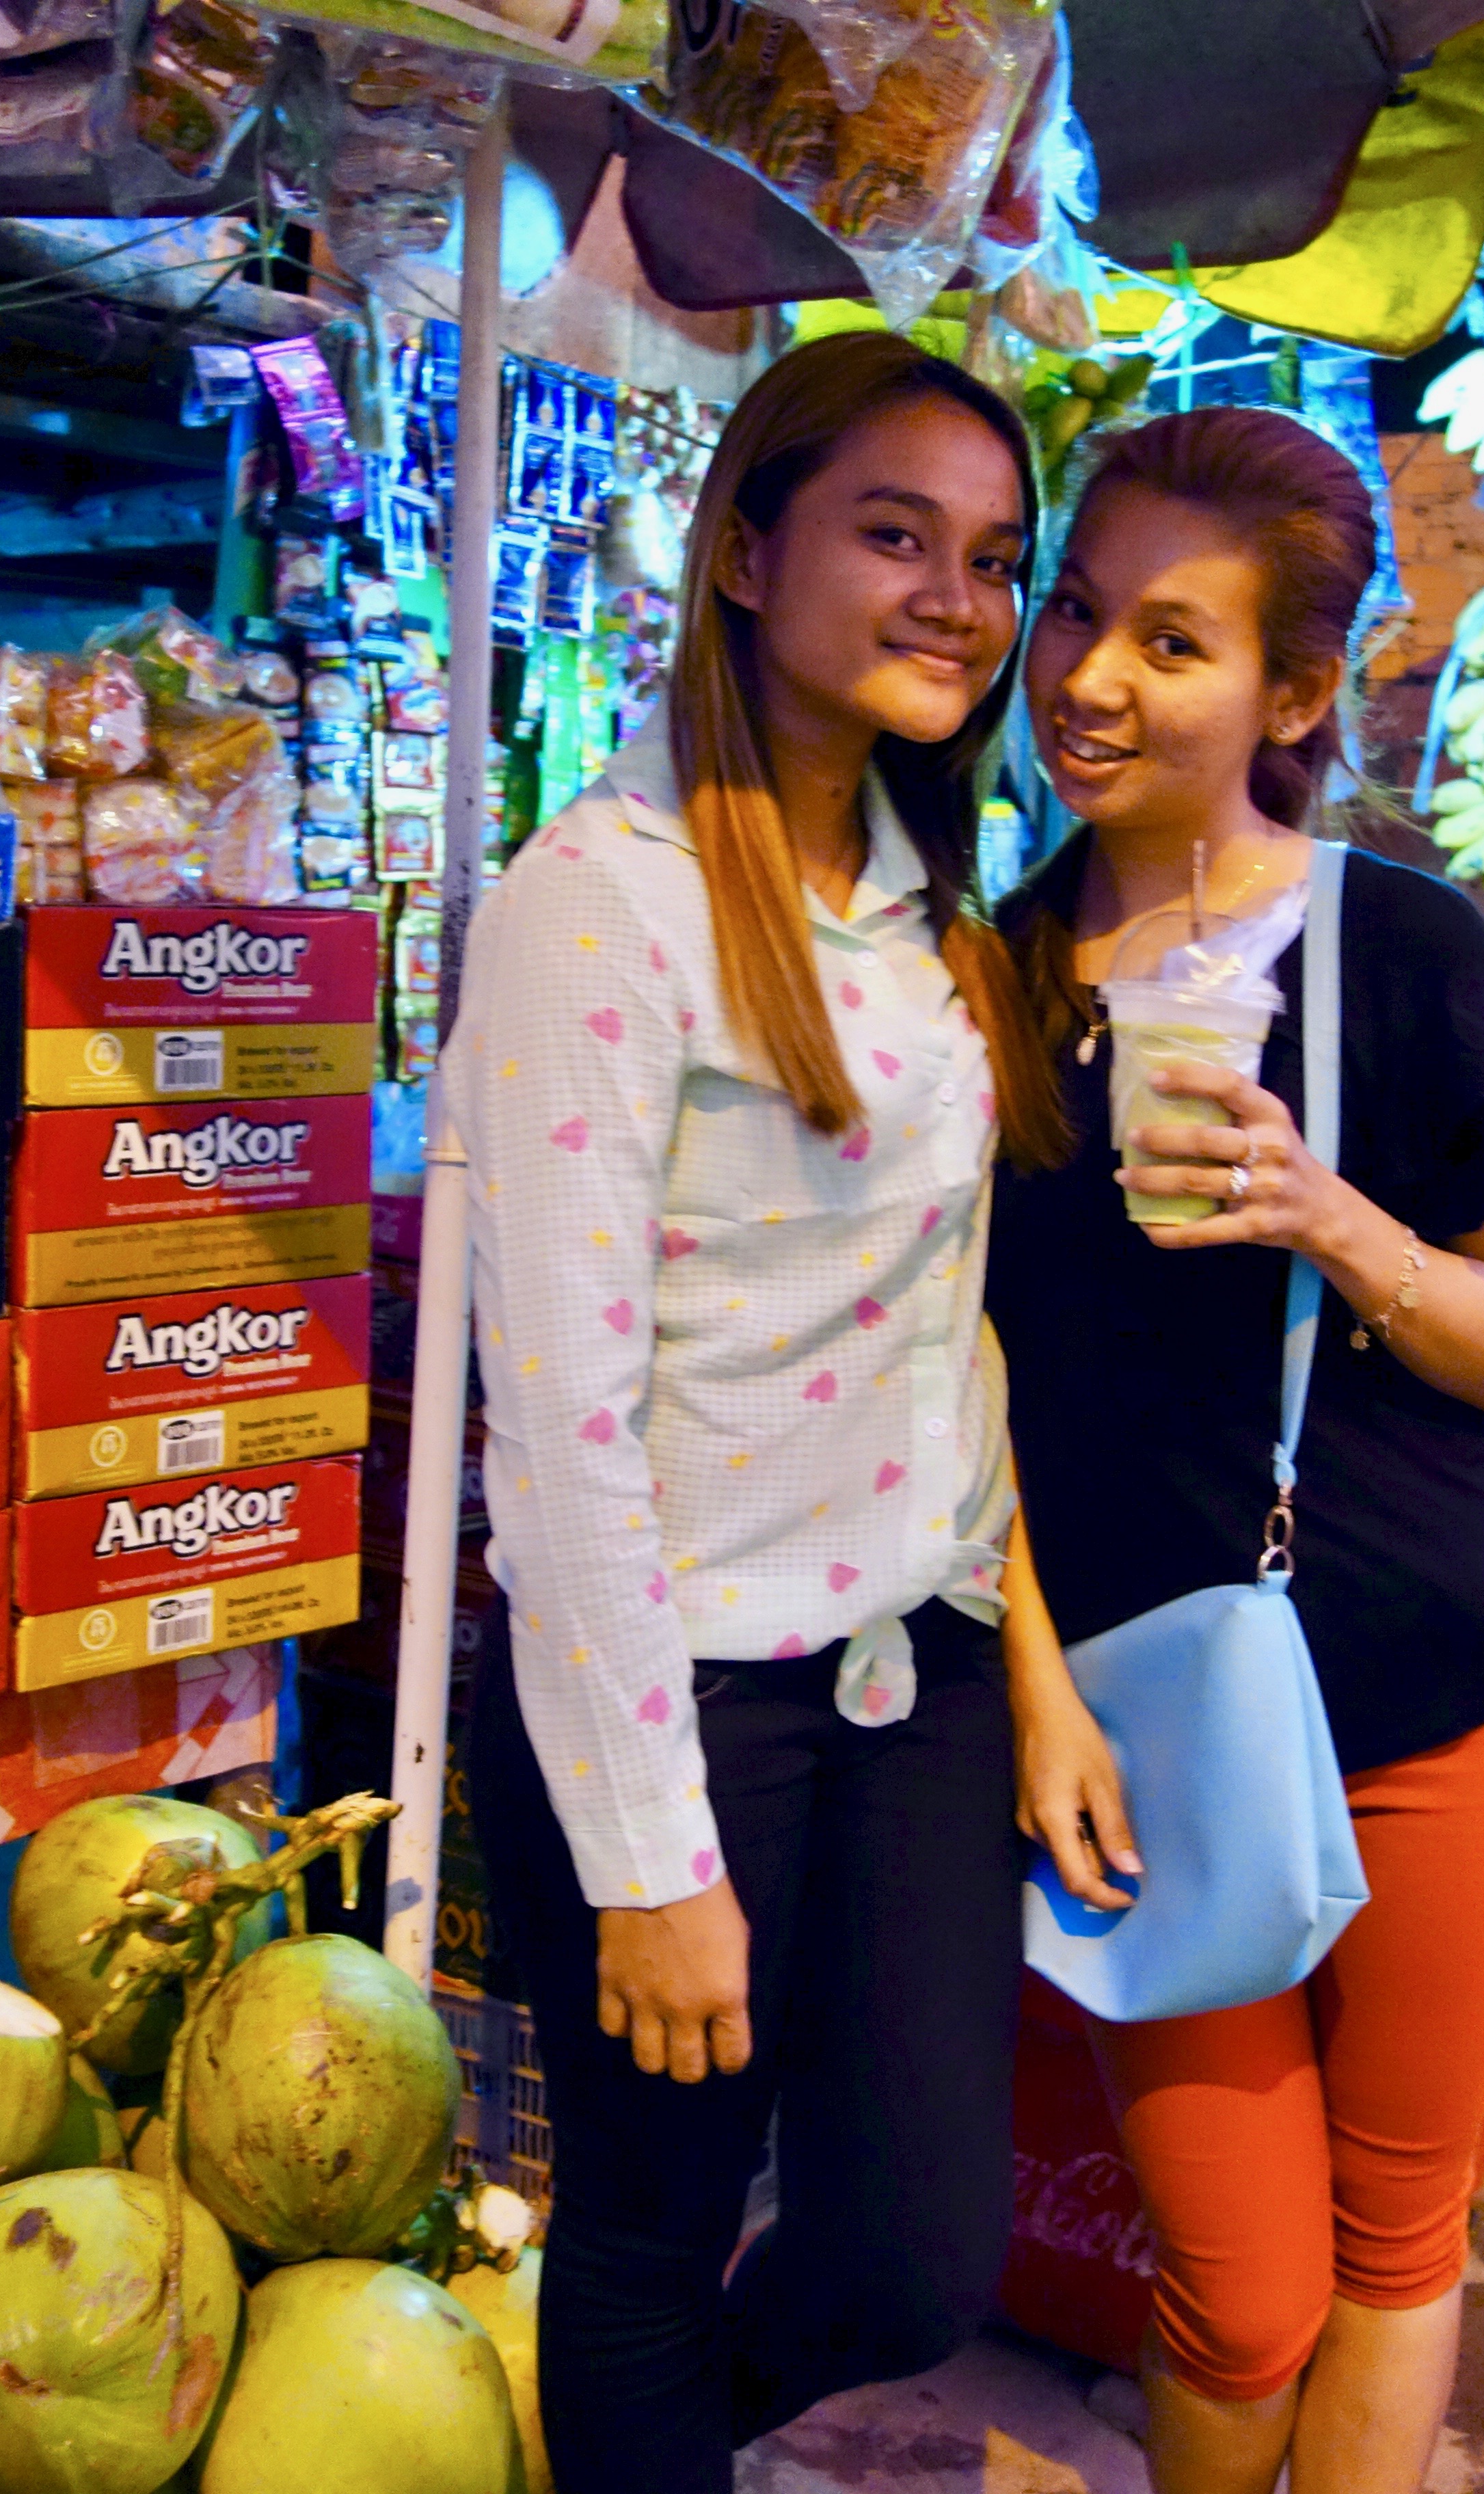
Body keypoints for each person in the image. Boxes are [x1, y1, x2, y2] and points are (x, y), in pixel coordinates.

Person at [448, 330, 1072, 2494]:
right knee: (647, 2222)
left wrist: (1031, 1658)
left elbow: (941, 1320)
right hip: (679, 1691)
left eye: (994, 558)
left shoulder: (923, 908)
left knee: (916, 2255)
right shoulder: (598, 902)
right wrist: (648, 1858)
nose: (956, 600)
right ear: (745, 550)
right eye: (893, 534)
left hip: (917, 1669)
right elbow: (560, 1425)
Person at [988, 405, 1484, 2494]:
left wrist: (1329, 1217)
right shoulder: (981, 984)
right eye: (1078, 611)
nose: (1088, 676)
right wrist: (1034, 1682)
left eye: (1170, 639)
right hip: (1146, 1725)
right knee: (1234, 2284)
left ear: (1295, 692)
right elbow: (948, 1384)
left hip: (1440, 1699)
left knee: (1396, 2242)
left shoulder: (1407, 954)